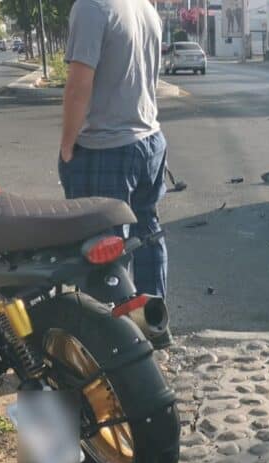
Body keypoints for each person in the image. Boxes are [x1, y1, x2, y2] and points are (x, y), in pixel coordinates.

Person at [58, 0, 168, 303]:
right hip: (149, 138)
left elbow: (79, 85)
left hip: (106, 146)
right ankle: (151, 324)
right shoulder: (144, 8)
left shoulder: (92, 6)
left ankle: (109, 340)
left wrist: (67, 145)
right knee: (147, 235)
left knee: (101, 249)